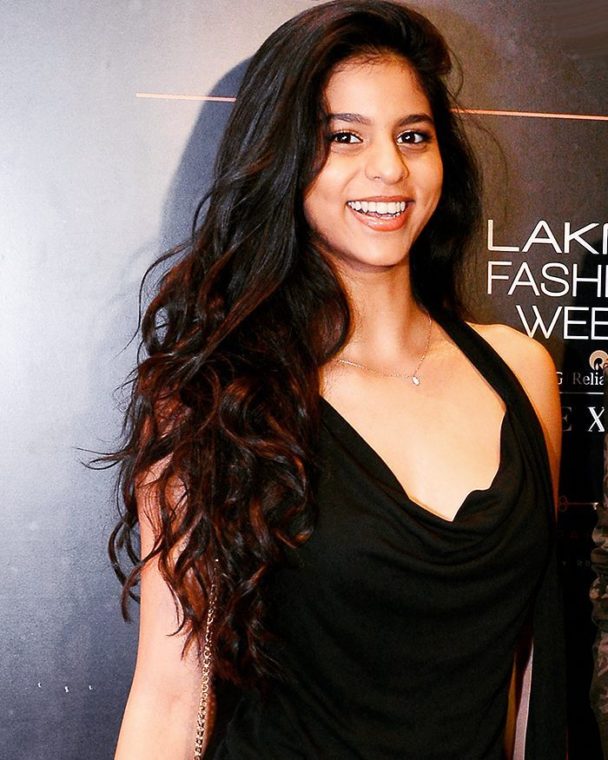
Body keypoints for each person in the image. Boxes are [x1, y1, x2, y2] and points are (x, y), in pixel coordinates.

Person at [110, 1, 566, 757]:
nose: (388, 168)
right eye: (343, 137)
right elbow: (170, 694)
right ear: (285, 161)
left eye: (412, 135)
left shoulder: (521, 372)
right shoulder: (216, 398)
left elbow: (523, 670)